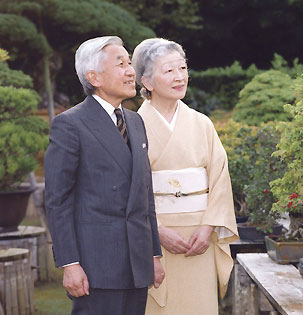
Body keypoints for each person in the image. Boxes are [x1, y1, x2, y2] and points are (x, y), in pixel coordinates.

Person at [44, 36, 163, 315]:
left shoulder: (134, 121)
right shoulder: (70, 124)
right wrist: (69, 263)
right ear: (94, 77)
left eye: (129, 62)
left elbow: (145, 195)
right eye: (120, 64)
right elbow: (57, 201)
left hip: (137, 261)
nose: (131, 70)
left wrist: (154, 254)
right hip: (96, 265)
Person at [131, 38, 239, 315]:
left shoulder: (202, 123)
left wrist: (209, 228)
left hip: (198, 239)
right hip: (154, 237)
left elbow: (219, 179)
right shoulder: (132, 127)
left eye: (183, 68)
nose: (180, 77)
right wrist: (156, 232)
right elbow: (126, 189)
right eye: (169, 71)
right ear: (147, 82)